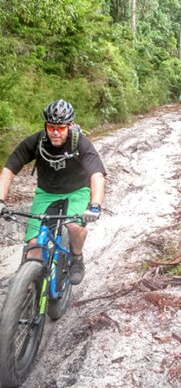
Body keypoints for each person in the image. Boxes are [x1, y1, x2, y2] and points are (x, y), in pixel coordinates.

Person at [0, 99, 106, 285]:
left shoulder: (80, 143)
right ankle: (30, 286)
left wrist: (95, 206)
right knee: (33, 244)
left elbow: (97, 175)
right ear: (45, 126)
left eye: (61, 128)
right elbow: (9, 168)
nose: (55, 132)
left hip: (77, 191)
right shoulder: (37, 141)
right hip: (46, 192)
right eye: (51, 127)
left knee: (73, 226)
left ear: (70, 125)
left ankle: (77, 258)